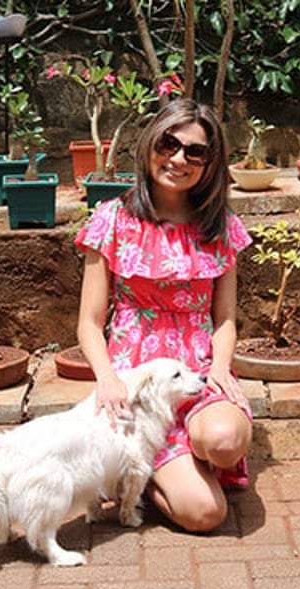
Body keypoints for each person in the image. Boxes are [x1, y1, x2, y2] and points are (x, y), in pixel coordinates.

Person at [75, 98, 254, 533]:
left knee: (224, 441)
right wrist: (107, 378)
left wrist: (222, 368)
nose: (178, 159)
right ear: (150, 145)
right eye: (169, 144)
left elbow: (226, 318)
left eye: (195, 152)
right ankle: (143, 472)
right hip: (139, 382)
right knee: (207, 515)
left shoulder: (221, 227)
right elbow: (89, 322)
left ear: (211, 164)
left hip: (196, 372)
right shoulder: (112, 219)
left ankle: (184, 457)